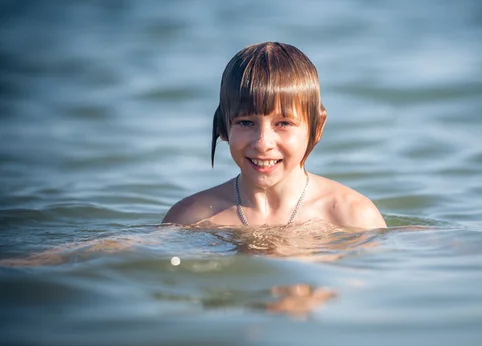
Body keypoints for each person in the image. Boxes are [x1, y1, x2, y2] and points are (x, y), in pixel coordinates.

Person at [163, 42, 387, 230]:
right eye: (246, 122)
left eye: (283, 123)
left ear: (317, 127)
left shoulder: (353, 217)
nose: (263, 143)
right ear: (223, 127)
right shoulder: (191, 219)